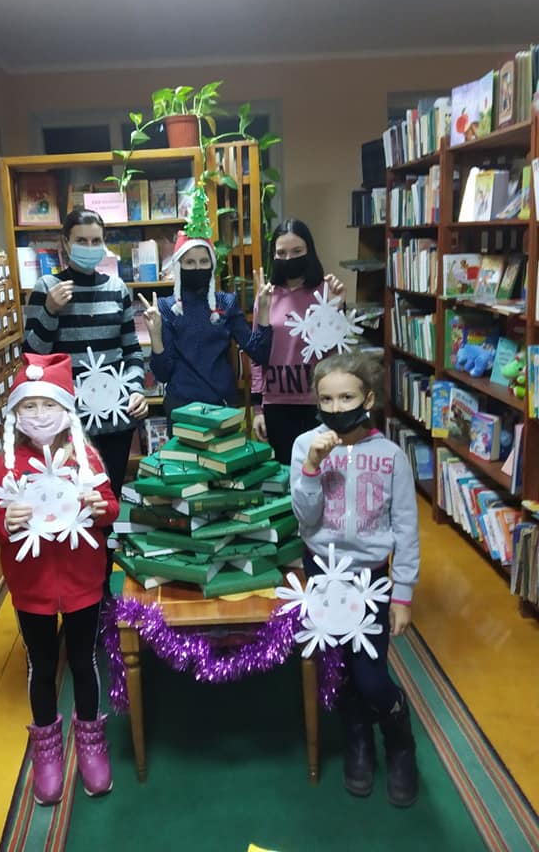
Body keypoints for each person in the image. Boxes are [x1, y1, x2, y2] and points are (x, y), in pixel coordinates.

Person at [0, 352, 119, 804]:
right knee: (40, 666)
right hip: (32, 589)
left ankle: (92, 744)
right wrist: (6, 523)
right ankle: (47, 752)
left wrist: (102, 508)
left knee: (84, 662)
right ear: (16, 413)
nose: (39, 415)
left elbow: (110, 508)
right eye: (29, 406)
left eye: (48, 405)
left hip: (83, 584)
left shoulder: (86, 459)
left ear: (66, 410)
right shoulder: (6, 466)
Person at [290, 351, 419, 807]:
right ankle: (357, 739)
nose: (337, 407)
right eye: (326, 399)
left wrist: (403, 594)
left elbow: (406, 528)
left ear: (368, 399)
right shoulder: (305, 445)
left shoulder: (391, 456)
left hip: (371, 579)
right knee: (338, 666)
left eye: (347, 397)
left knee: (370, 673)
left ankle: (399, 739)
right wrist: (311, 467)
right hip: (323, 573)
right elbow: (305, 518)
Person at [22, 208, 148, 579]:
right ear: (65, 243)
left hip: (115, 421)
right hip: (67, 425)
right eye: (81, 240)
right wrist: (50, 310)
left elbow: (131, 351)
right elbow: (33, 357)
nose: (89, 247)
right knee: (68, 505)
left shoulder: (117, 289)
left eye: (96, 241)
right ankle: (75, 589)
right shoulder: (47, 288)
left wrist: (136, 389)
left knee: (105, 507)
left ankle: (102, 595)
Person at [138, 229, 273, 421]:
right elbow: (162, 374)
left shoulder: (226, 303)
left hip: (222, 405)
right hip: (181, 408)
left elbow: (260, 353)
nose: (197, 268)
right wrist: (155, 336)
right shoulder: (166, 308)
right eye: (189, 262)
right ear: (178, 265)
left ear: (212, 264)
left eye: (203, 261)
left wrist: (264, 310)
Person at [251, 219, 346, 464]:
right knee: (285, 472)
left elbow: (336, 354)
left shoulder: (325, 291)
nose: (289, 258)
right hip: (277, 404)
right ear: (273, 255)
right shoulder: (266, 296)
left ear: (309, 251)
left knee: (322, 470)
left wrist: (337, 306)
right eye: (281, 253)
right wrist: (258, 409)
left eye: (296, 251)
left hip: (317, 403)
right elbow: (257, 357)